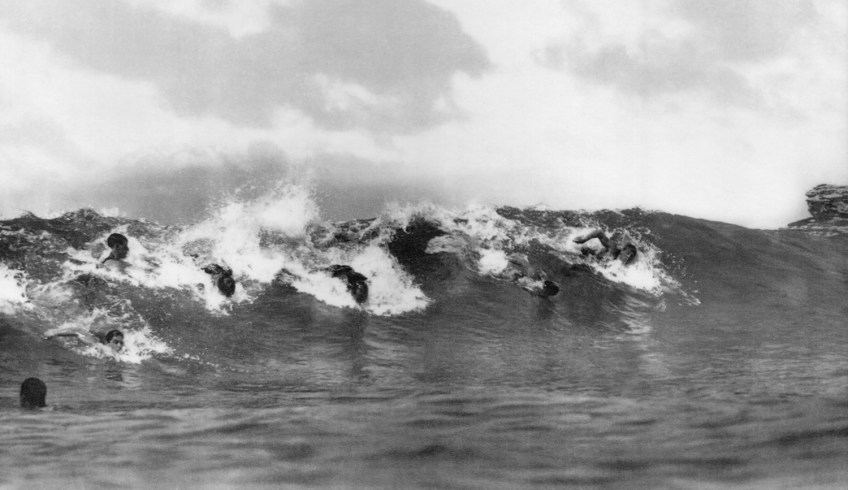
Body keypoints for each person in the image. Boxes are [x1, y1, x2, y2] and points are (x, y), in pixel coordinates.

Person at [573, 229, 638, 266]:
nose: (627, 258)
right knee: (583, 249)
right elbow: (599, 233)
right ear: (623, 250)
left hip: (594, 262)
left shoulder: (621, 265)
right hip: (591, 254)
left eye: (630, 257)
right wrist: (584, 240)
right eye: (627, 254)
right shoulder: (613, 248)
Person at [44, 326, 125, 352]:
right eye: (115, 342)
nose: (119, 345)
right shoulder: (94, 344)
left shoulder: (116, 348)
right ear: (108, 342)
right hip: (78, 330)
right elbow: (76, 334)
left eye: (120, 342)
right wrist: (55, 335)